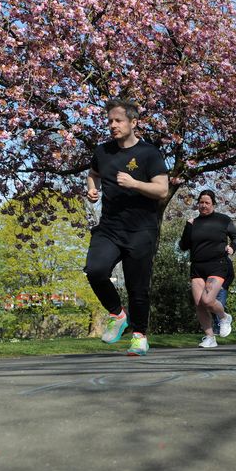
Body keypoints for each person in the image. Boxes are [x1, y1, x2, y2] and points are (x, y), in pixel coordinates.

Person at [85, 98, 169, 356]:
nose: (113, 125)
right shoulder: (103, 151)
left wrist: (135, 184)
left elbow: (162, 190)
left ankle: (139, 336)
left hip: (141, 229)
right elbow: (93, 174)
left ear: (133, 122)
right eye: (110, 121)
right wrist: (92, 189)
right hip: (110, 227)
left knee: (137, 287)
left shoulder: (149, 153)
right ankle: (117, 314)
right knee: (95, 270)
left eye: (118, 120)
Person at [178, 189, 236, 349]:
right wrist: (188, 227)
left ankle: (224, 317)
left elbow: (235, 237)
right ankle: (210, 337)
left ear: (213, 204)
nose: (204, 205)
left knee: (207, 300)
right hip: (197, 266)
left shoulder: (223, 220)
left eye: (207, 203)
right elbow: (183, 246)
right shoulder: (193, 223)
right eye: (201, 202)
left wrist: (232, 247)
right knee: (199, 303)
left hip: (217, 264)